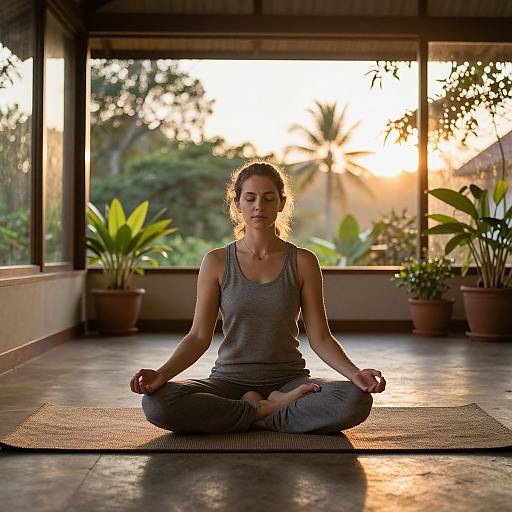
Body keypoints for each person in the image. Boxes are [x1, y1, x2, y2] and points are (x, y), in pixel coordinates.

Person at [129, 161, 386, 434]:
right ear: (237, 203)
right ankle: (268, 411)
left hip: (289, 380)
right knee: (158, 403)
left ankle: (250, 413)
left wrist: (355, 374)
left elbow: (320, 337)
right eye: (249, 198)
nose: (258, 207)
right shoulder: (216, 262)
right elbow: (198, 336)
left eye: (268, 198)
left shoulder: (303, 262)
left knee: (355, 399)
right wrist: (163, 374)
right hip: (229, 381)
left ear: (282, 203)